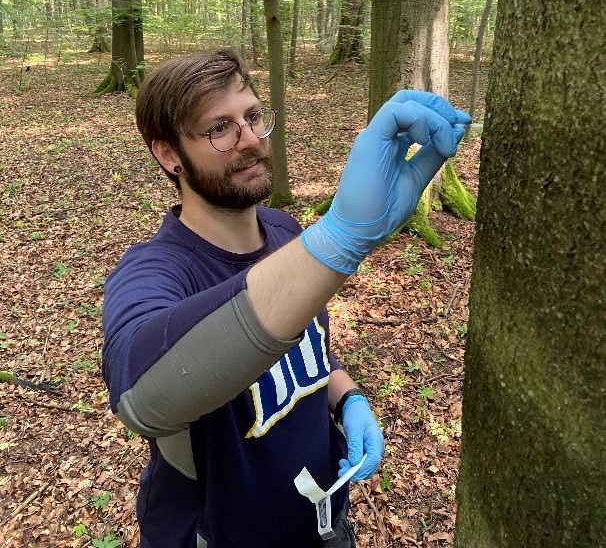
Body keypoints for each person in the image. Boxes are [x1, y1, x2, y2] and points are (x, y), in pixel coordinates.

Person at [101, 48, 470, 548]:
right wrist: (338, 239)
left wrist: (348, 397)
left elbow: (312, 350)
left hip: (324, 522)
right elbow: (140, 392)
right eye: (220, 128)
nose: (251, 140)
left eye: (252, 117)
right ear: (168, 154)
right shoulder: (154, 272)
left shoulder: (284, 230)